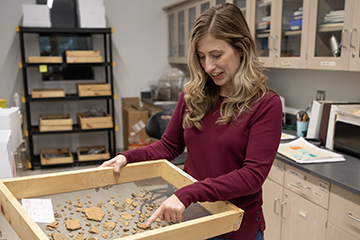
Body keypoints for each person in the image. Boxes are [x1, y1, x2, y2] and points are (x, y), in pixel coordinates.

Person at [100, 3, 282, 240]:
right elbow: (169, 146)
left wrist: (189, 192)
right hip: (194, 215)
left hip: (235, 225)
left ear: (241, 48)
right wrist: (127, 156)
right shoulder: (193, 94)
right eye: (201, 57)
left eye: (217, 55)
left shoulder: (266, 104)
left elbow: (252, 176)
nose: (208, 67)